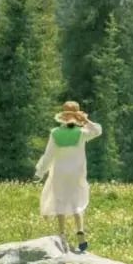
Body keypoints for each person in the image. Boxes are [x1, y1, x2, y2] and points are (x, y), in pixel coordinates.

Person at [34, 100, 102, 252]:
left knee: (60, 200)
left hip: (59, 171)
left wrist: (40, 172)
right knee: (76, 200)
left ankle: (62, 234)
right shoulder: (81, 133)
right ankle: (80, 230)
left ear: (63, 117)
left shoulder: (55, 133)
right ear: (77, 118)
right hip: (76, 172)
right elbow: (98, 130)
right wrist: (85, 120)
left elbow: (48, 156)